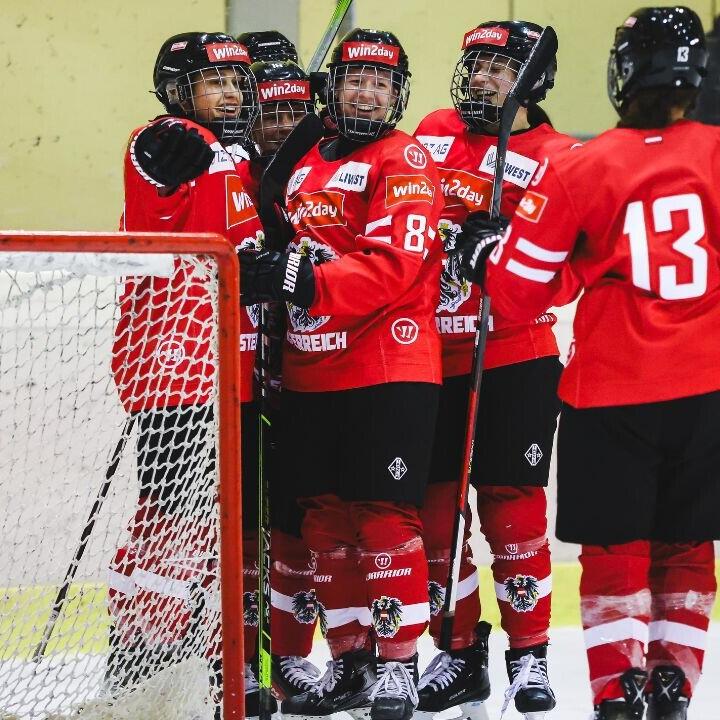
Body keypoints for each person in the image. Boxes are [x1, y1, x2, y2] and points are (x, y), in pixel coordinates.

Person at [458, 7, 718, 720]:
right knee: (688, 545)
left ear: (623, 72)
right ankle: (673, 684)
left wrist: (484, 253)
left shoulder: (583, 164)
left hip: (613, 392)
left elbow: (514, 295)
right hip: (707, 390)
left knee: (615, 548)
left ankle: (617, 688)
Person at [239, 28, 444, 720]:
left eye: (381, 84)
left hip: (387, 363)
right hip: (309, 369)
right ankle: (352, 659)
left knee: (383, 517)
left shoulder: (404, 156)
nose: (366, 92)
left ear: (397, 96)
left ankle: (398, 666)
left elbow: (394, 265)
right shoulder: (305, 165)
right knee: (325, 520)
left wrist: (296, 280)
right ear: (334, 87)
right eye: (355, 79)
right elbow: (282, 241)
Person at [412, 20, 577, 720]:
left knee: (513, 513)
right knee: (431, 517)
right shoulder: (430, 130)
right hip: (423, 357)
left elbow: (567, 278)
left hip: (513, 356)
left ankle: (530, 655)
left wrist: (505, 248)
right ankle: (458, 653)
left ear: (532, 82)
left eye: (500, 69)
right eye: (475, 65)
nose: (482, 79)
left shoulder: (560, 155)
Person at [108, 31, 269, 718]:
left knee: (216, 525)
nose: (231, 92)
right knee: (172, 520)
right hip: (174, 369)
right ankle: (144, 650)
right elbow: (157, 158)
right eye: (214, 82)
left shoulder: (239, 159)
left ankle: (207, 655)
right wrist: (182, 145)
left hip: (223, 365)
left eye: (238, 80)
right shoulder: (167, 141)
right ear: (179, 92)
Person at [238, 36, 325, 701]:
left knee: (296, 525)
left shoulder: (320, 171)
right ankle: (236, 653)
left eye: (292, 113)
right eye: (267, 114)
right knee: (240, 527)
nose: (278, 127)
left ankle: (290, 656)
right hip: (239, 380)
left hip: (309, 377)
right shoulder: (232, 173)